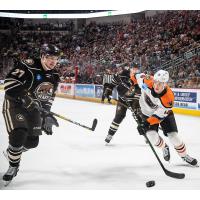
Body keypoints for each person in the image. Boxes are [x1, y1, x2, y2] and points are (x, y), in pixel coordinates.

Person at [2, 44, 61, 183]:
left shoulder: (54, 76)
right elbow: (9, 83)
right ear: (42, 56)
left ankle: (12, 152)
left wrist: (46, 114)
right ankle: (13, 166)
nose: (53, 61)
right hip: (15, 103)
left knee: (32, 142)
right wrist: (25, 97)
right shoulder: (27, 65)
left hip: (32, 107)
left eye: (56, 58)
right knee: (19, 133)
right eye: (49, 57)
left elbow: (48, 97)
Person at [134, 69, 198, 166]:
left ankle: (184, 156)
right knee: (152, 137)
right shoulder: (147, 80)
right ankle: (164, 147)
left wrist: (145, 123)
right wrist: (132, 85)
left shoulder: (169, 98)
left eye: (160, 83)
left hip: (163, 114)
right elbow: (136, 76)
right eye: (155, 82)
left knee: (174, 137)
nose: (157, 85)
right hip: (147, 113)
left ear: (165, 84)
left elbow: (158, 116)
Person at [104, 63, 141, 143]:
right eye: (133, 68)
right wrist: (108, 90)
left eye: (137, 69)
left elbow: (139, 92)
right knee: (119, 117)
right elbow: (112, 84)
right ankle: (110, 134)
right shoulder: (121, 75)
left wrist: (135, 105)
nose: (135, 70)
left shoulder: (139, 78)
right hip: (122, 100)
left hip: (135, 100)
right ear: (130, 68)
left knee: (139, 117)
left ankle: (146, 135)